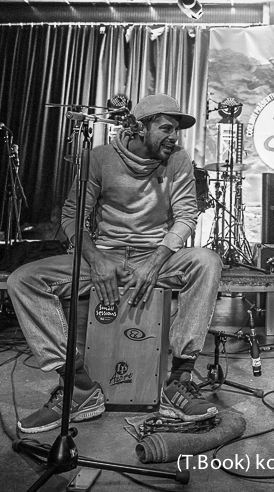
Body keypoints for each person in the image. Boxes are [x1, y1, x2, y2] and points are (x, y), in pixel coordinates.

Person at [7, 93, 223, 433]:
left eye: (176, 130)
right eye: (166, 128)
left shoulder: (178, 159)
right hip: (106, 255)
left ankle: (179, 381)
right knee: (23, 280)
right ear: (140, 128)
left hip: (155, 257)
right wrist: (96, 259)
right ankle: (77, 386)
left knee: (207, 262)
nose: (174, 137)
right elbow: (72, 215)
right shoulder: (99, 158)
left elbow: (186, 216)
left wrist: (154, 262)